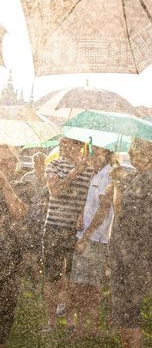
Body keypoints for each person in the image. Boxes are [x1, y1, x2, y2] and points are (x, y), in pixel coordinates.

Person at [85, 138, 152, 348]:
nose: (132, 157)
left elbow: (121, 209)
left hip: (134, 250)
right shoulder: (143, 176)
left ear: (151, 154)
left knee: (129, 308)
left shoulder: (151, 178)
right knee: (123, 307)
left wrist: (119, 186)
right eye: (132, 153)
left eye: (137, 153)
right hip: (125, 247)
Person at [43, 137, 94, 330]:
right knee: (52, 276)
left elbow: (89, 200)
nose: (63, 145)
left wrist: (82, 213)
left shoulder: (90, 171)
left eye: (69, 142)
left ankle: (71, 321)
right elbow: (55, 191)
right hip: (54, 228)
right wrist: (75, 172)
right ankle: (51, 322)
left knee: (74, 278)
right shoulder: (53, 165)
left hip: (76, 231)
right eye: (62, 141)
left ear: (80, 146)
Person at [70, 146, 115, 340]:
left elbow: (104, 209)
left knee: (90, 287)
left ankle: (90, 329)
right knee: (81, 286)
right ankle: (83, 327)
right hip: (86, 235)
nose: (94, 156)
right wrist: (80, 215)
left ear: (108, 155)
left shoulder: (107, 176)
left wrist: (86, 236)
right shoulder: (95, 174)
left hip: (95, 239)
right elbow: (91, 204)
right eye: (93, 152)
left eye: (99, 153)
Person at [0, 145, 29, 348]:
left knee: (5, 308)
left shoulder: (23, 186)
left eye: (8, 160)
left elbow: (20, 212)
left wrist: (4, 184)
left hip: (11, 259)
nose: (3, 164)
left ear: (15, 163)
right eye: (0, 160)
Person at [20, 151, 49, 281]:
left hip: (44, 218)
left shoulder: (50, 177)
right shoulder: (27, 177)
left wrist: (45, 182)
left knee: (40, 246)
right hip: (29, 217)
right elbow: (20, 195)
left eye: (40, 162)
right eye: (35, 162)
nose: (37, 165)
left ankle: (38, 274)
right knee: (28, 245)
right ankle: (30, 273)